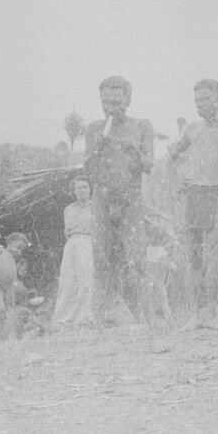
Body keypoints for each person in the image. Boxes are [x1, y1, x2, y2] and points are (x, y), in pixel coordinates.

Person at [84, 76, 157, 343]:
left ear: (128, 99)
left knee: (138, 259)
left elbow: (150, 165)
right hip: (101, 201)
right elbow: (86, 170)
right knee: (101, 259)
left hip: (130, 201)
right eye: (106, 101)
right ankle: (99, 323)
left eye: (116, 100)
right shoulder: (94, 128)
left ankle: (149, 320)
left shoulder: (141, 126)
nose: (111, 105)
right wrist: (97, 148)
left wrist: (134, 152)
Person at [169, 78, 218, 331]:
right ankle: (194, 314)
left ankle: (212, 313)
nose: (201, 104)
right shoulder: (190, 129)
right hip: (193, 195)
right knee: (192, 258)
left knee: (213, 256)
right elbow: (171, 157)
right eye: (198, 100)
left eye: (206, 99)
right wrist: (180, 177)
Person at [52, 174, 95, 330]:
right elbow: (66, 231)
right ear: (74, 191)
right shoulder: (68, 209)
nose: (82, 190)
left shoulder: (95, 207)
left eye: (85, 187)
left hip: (87, 242)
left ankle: (83, 319)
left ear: (90, 189)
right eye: (78, 188)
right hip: (71, 243)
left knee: (86, 281)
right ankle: (62, 320)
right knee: (67, 281)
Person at [0, 232, 30, 342]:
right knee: (0, 310)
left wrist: (15, 288)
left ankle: (4, 338)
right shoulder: (1, 249)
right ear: (10, 243)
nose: (19, 252)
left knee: (7, 314)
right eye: (18, 247)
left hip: (8, 289)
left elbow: (13, 276)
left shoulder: (13, 260)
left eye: (21, 250)